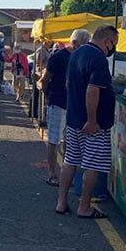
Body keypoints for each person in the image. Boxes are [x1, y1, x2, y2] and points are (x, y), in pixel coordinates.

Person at [55, 25, 119, 218]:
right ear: (107, 41)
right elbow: (93, 90)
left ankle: (61, 202)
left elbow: (69, 84)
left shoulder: (76, 53)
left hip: (74, 119)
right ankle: (84, 206)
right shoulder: (98, 59)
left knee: (70, 161)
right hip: (93, 124)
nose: (113, 47)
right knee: (92, 164)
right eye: (114, 43)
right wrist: (92, 120)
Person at [39, 29, 90, 187]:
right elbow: (44, 79)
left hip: (74, 105)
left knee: (70, 141)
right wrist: (48, 96)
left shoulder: (83, 57)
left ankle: (67, 174)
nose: (85, 48)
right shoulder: (59, 57)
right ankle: (52, 174)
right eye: (83, 44)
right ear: (74, 43)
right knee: (54, 139)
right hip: (59, 102)